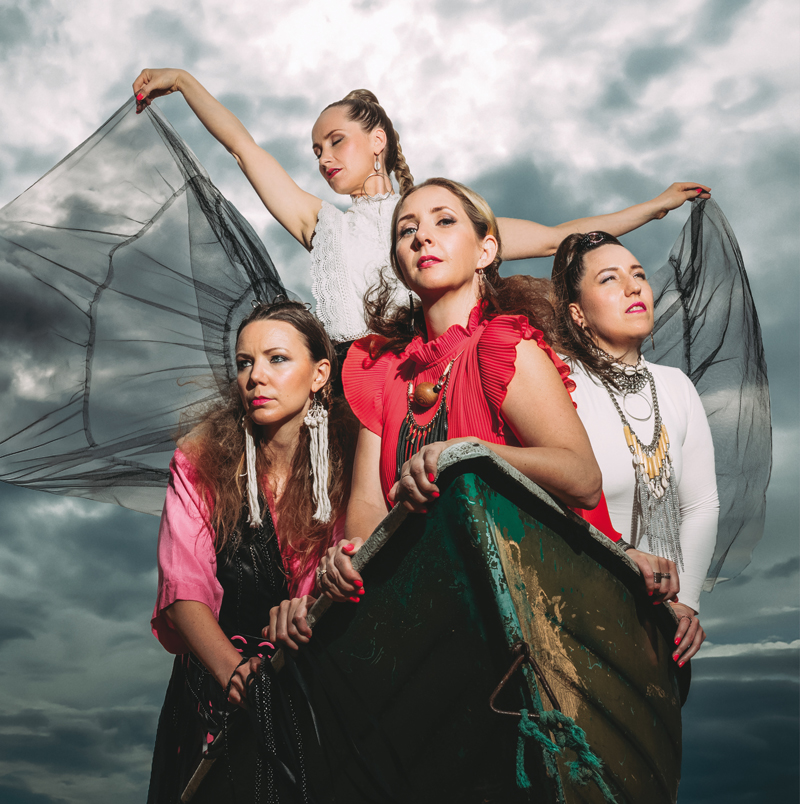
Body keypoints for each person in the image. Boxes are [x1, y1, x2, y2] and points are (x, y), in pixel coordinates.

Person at [267, 178, 615, 649]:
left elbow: (582, 478)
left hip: (538, 615)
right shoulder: (382, 371)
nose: (421, 236)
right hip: (429, 624)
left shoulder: (503, 345)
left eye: (444, 221)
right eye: (406, 230)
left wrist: (467, 455)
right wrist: (350, 555)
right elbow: (368, 506)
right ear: (400, 264)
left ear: (485, 250)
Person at [132, 68, 710, 347]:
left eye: (337, 141)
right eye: (315, 151)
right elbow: (242, 147)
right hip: (341, 397)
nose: (324, 159)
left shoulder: (444, 223)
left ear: (377, 139)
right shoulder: (319, 222)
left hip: (425, 388)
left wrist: (653, 206)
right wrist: (185, 83)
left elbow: (563, 235)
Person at [147, 299, 357, 803]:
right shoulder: (198, 460)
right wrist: (235, 673)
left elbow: (351, 561)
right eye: (245, 363)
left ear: (319, 373)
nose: (255, 377)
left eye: (276, 359)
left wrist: (308, 610)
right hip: (212, 706)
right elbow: (183, 588)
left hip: (316, 693)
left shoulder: (353, 461)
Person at [549, 231, 719, 667]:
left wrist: (687, 605)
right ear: (577, 313)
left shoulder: (676, 386)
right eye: (609, 279)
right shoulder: (556, 380)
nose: (634, 286)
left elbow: (700, 505)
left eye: (638, 274)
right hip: (573, 612)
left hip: (658, 629)